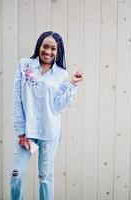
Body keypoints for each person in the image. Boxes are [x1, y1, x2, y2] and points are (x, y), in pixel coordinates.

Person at [10, 31, 83, 200]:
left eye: (53, 48)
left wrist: (72, 85)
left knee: (45, 178)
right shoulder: (24, 65)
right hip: (26, 133)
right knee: (16, 174)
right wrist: (21, 132)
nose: (48, 52)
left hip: (49, 132)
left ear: (58, 52)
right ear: (39, 46)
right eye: (45, 46)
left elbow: (57, 106)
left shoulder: (61, 74)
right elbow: (16, 100)